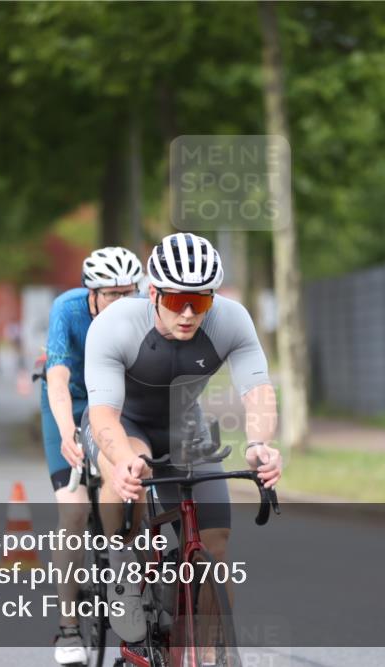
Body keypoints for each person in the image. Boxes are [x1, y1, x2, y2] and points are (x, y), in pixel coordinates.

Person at [80, 232, 282, 646]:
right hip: (125, 425)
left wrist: (259, 443)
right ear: (152, 292)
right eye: (176, 301)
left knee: (216, 544)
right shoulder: (113, 325)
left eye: (201, 302)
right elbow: (103, 415)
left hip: (183, 427)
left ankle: (209, 653)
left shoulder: (232, 320)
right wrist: (120, 460)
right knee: (131, 463)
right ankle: (121, 564)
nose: (188, 313)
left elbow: (257, 392)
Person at [42, 246, 144, 665]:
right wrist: (68, 432)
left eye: (128, 292)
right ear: (92, 293)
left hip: (117, 403)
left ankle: (135, 598)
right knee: (73, 511)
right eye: (111, 294)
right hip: (73, 402)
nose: (121, 302)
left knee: (136, 484)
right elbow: (58, 377)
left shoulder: (144, 309)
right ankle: (68, 628)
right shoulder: (67, 309)